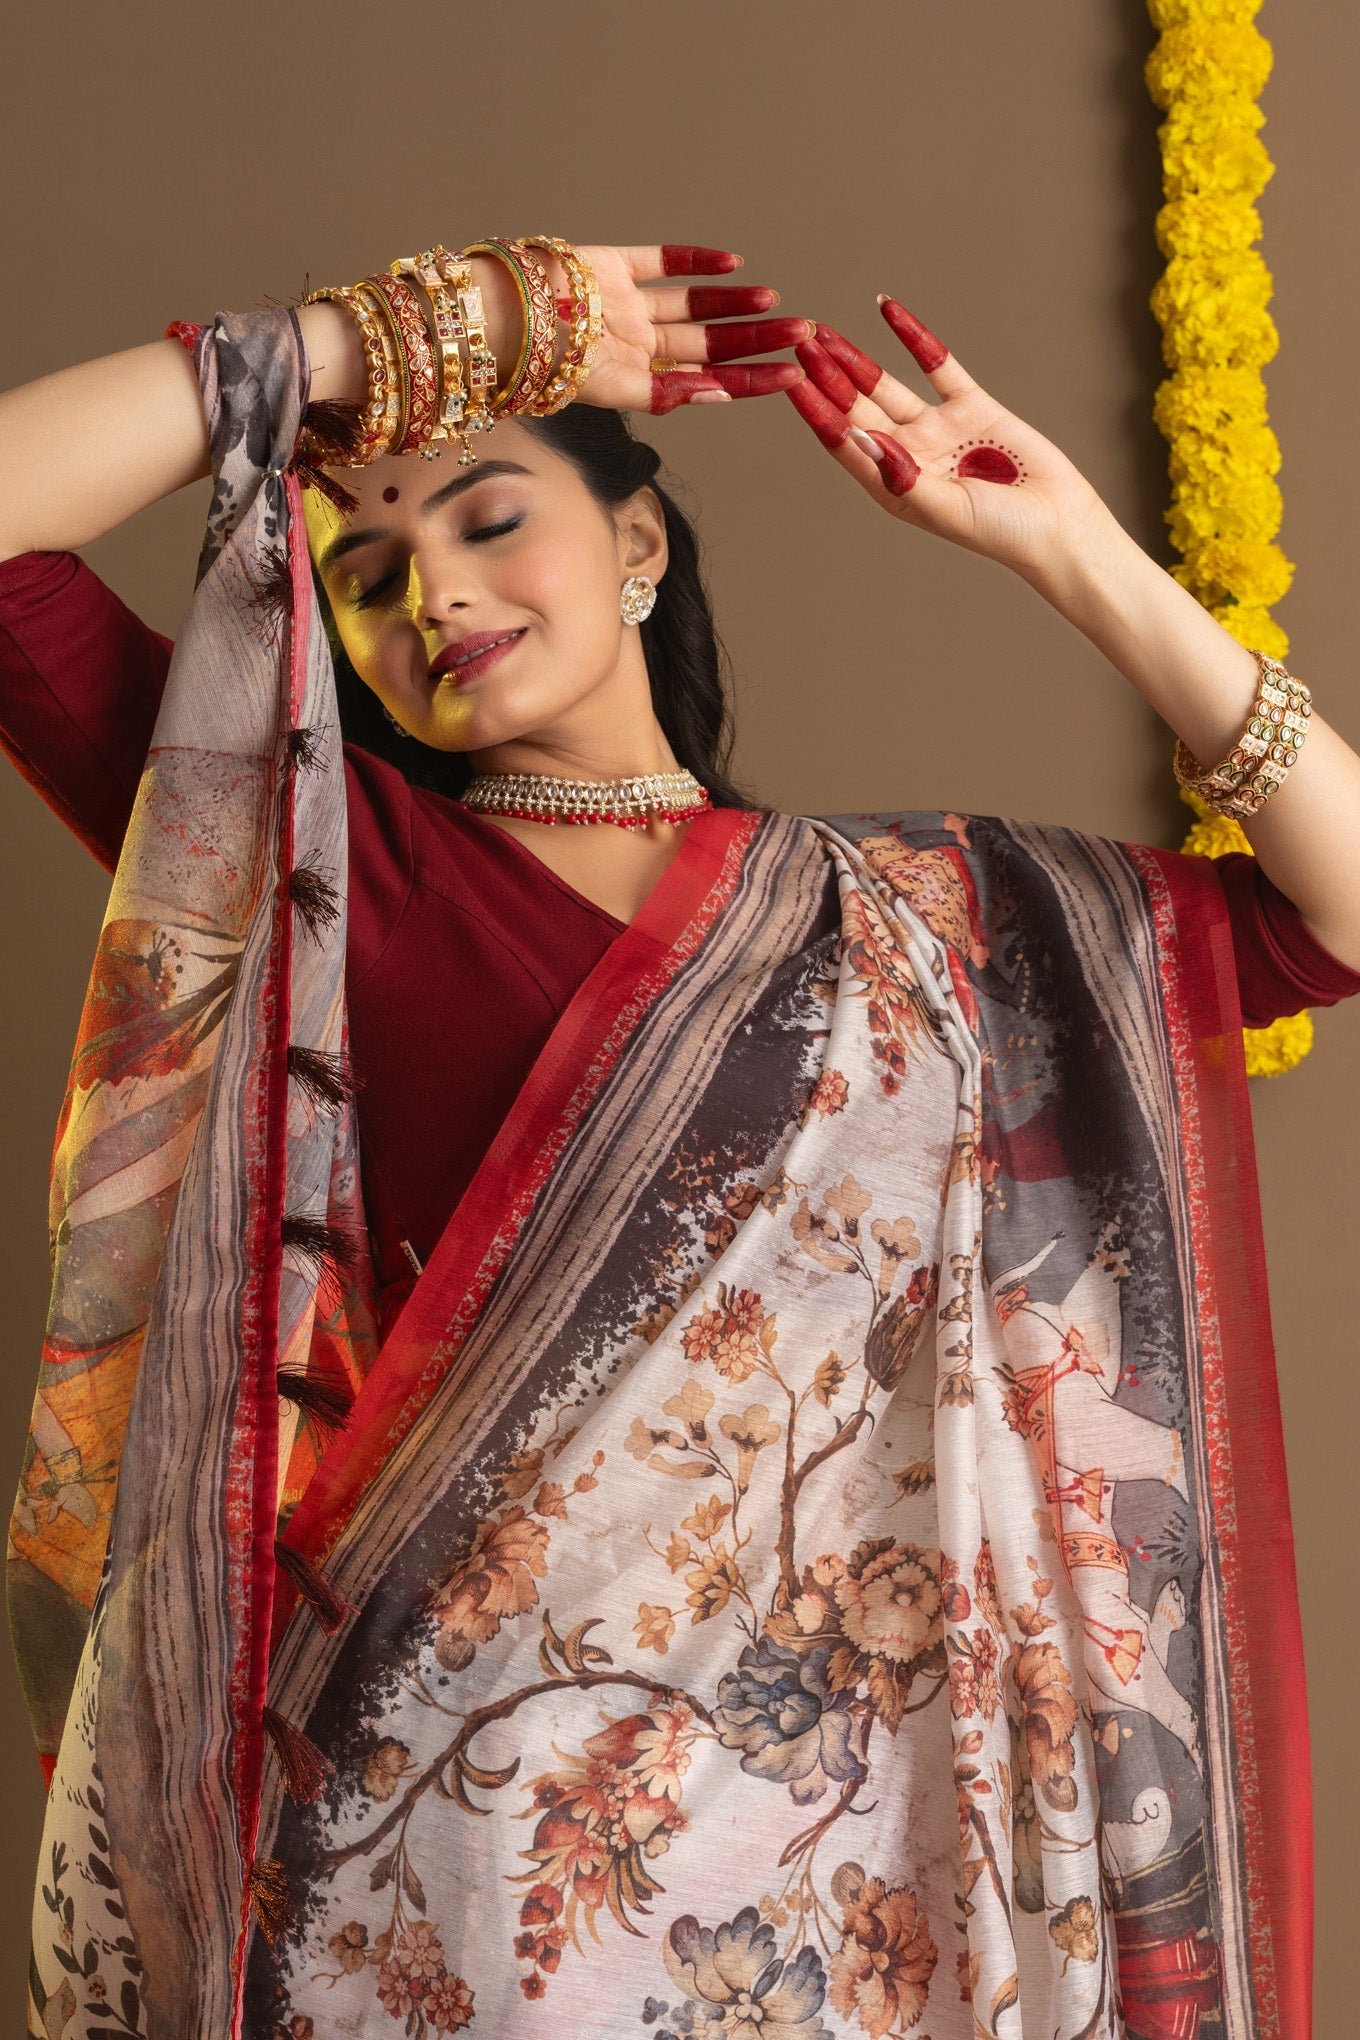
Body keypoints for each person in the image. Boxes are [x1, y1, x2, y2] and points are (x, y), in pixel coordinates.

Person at [1, 236, 1354, 2038]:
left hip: (863, 1880)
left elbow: (1338, 910)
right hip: (439, 1861)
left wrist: (1072, 552)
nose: (433, 593)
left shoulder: (920, 926)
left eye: (490, 519)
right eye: (367, 574)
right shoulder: (315, 865)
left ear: (637, 541)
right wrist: (363, 346)